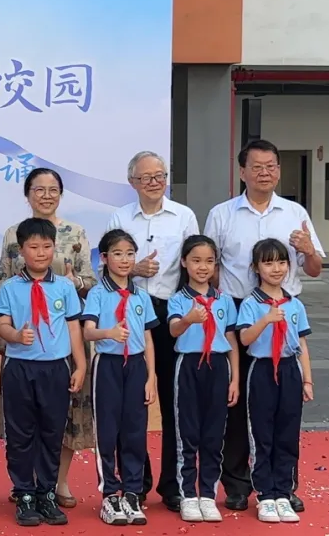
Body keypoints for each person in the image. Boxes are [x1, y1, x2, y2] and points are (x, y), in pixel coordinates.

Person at [204, 139, 324, 513]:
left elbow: (315, 268)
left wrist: (307, 249)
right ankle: (238, 484)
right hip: (239, 310)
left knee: (283, 409)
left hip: (284, 310)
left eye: (271, 166)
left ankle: (283, 486)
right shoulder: (222, 214)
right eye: (257, 167)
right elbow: (210, 267)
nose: (265, 173)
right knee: (236, 400)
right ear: (242, 172)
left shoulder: (294, 213)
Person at [0, 168, 97, 509]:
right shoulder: (12, 241)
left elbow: (78, 312)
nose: (46, 195)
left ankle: (51, 489)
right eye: (39, 189)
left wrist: (79, 363)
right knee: (21, 429)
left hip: (57, 357)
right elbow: (1, 297)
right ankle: (24, 490)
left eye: (53, 189)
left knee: (55, 426)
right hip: (20, 359)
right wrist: (10, 336)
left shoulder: (75, 237)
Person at [105, 151, 198, 512]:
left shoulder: (184, 216)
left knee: (174, 400)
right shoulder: (120, 217)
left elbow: (195, 263)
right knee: (131, 403)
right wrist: (134, 269)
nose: (154, 182)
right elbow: (108, 264)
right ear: (133, 182)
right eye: (146, 178)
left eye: (160, 176)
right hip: (129, 313)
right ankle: (136, 482)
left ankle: (173, 484)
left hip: (171, 311)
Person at [82, 229, 158, 527]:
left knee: (135, 431)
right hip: (108, 366)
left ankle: (132, 492)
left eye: (129, 254)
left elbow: (148, 339)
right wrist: (109, 333)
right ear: (104, 258)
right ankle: (110, 494)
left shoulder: (141, 296)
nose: (125, 260)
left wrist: (151, 377)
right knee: (108, 430)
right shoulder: (98, 294)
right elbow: (88, 331)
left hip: (137, 366)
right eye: (117, 254)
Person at [235, 238, 314, 524]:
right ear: (256, 268)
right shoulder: (250, 304)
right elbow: (244, 339)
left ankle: (284, 491)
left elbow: (301, 344)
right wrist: (266, 320)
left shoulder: (294, 304)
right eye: (268, 263)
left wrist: (307, 380)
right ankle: (265, 494)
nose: (276, 268)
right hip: (262, 369)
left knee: (288, 433)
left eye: (281, 262)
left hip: (290, 369)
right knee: (261, 432)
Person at [166, 235, 239, 523]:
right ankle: (187, 494)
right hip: (189, 365)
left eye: (209, 261)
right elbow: (173, 330)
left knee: (214, 433)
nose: (203, 267)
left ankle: (208, 494)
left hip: (218, 366)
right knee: (188, 432)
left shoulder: (224, 300)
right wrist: (188, 319)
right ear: (184, 262)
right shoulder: (178, 299)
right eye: (196, 260)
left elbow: (231, 339)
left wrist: (234, 379)